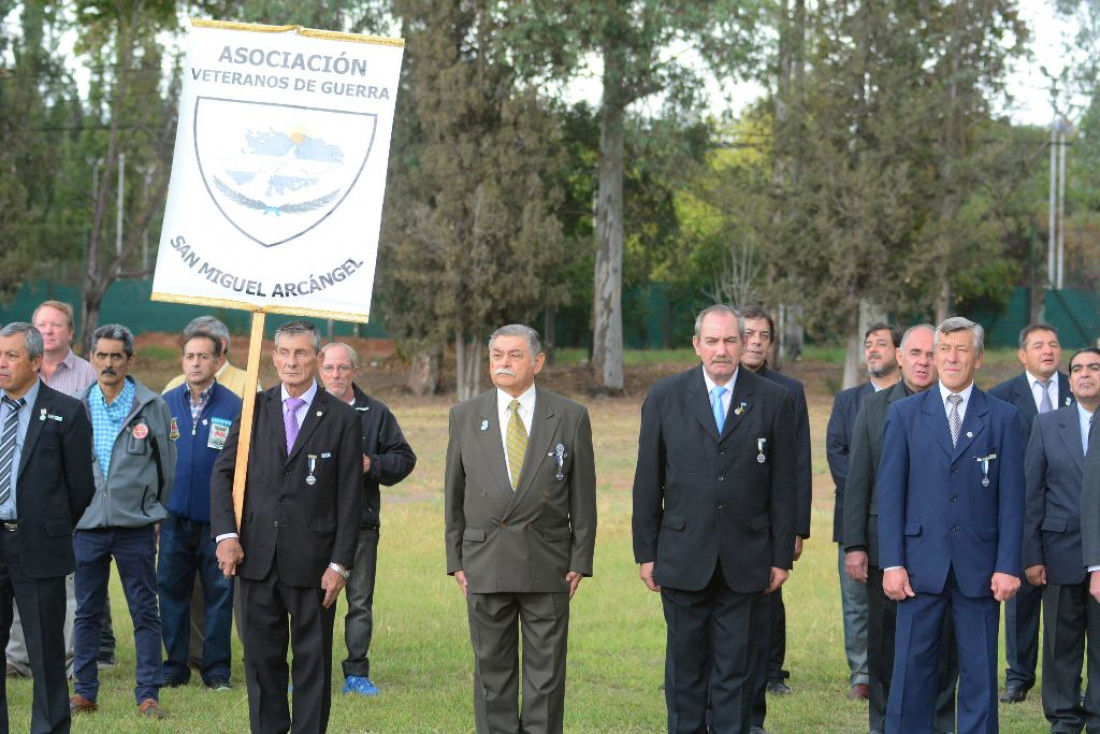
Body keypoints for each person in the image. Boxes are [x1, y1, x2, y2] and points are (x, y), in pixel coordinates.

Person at [633, 304, 796, 734]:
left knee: (737, 674)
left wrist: (781, 556)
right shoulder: (665, 396)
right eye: (712, 341)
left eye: (729, 340)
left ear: (743, 343)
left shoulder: (774, 400)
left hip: (747, 560)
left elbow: (784, 487)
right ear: (696, 345)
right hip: (683, 557)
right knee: (685, 672)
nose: (721, 350)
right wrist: (646, 553)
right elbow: (648, 481)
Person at [211, 319, 361, 734]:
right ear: (273, 356)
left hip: (314, 564)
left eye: (300, 353)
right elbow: (223, 475)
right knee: (261, 662)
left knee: (313, 662)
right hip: (254, 559)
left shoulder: (342, 419)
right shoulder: (253, 408)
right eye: (284, 353)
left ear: (316, 357)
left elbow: (351, 499)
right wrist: (226, 536)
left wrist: (340, 565)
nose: (291, 361)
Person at [444, 324, 596, 734]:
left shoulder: (569, 416)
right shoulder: (464, 415)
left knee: (545, 676)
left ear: (538, 362)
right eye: (497, 355)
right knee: (492, 672)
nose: (504, 363)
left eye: (514, 355)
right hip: (484, 560)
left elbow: (583, 497)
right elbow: (453, 496)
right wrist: (455, 559)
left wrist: (580, 559)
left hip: (547, 561)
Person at [878, 316, 1025, 734]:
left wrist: (1008, 564)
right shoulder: (905, 415)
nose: (952, 357)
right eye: (945, 348)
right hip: (919, 567)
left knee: (980, 674)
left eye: (962, 349)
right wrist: (892, 562)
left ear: (977, 358)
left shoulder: (1003, 417)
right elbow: (890, 495)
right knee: (911, 672)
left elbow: (1014, 500)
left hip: (980, 569)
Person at [843, 324, 957, 734]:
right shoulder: (875, 409)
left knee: (943, 643)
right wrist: (855, 544)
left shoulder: (955, 407)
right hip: (882, 545)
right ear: (900, 357)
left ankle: (938, 722)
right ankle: (884, 723)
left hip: (942, 547)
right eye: (917, 353)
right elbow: (859, 480)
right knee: (885, 641)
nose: (924, 361)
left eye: (932, 354)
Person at [70, 324, 176, 719]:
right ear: (92, 358)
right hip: (88, 527)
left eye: (117, 356)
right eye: (102, 355)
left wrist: (152, 511)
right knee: (87, 613)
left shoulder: (153, 407)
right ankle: (84, 693)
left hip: (135, 528)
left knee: (145, 611)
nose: (109, 363)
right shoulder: (78, 405)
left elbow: (167, 469)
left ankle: (148, 694)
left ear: (130, 360)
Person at [0, 322, 94, 734]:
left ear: (37, 361)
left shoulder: (67, 411)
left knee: (46, 653)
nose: (1, 364)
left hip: (40, 545)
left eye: (12, 356)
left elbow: (80, 489)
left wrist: (47, 524)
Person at [318, 342, 416, 696]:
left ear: (355, 371)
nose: (336, 375)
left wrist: (371, 464)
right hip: (313, 526)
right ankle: (309, 671)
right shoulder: (306, 409)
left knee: (358, 601)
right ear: (319, 369)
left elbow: (405, 458)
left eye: (343, 368)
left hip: (361, 525)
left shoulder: (375, 413)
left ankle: (356, 674)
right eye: (329, 368)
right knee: (312, 602)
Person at [160, 316, 254, 673]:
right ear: (182, 361)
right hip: (172, 519)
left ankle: (217, 670)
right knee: (171, 593)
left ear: (218, 362)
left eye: (203, 357)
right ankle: (174, 666)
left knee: (219, 594)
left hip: (218, 520)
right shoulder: (165, 403)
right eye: (189, 356)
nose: (195, 363)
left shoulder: (236, 406)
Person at [989, 323, 1073, 704]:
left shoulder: (1081, 389)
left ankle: (1066, 677)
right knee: (1021, 599)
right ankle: (1019, 677)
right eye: (1038, 345)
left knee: (1065, 605)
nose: (1048, 351)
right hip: (1019, 511)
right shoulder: (1002, 397)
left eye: (1054, 344)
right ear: (1022, 354)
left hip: (1067, 513)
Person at [738, 305, 809, 733]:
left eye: (764, 335)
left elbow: (797, 462)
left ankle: (771, 671)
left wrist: (796, 527)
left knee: (769, 597)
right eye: (749, 334)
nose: (756, 341)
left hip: (771, 517)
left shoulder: (788, 390)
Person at [1023, 347, 1100, 732]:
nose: (1085, 374)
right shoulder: (1048, 425)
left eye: (1094, 367)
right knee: (1060, 645)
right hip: (1059, 552)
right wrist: (1032, 555)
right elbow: (1032, 493)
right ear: (1070, 380)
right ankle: (1064, 717)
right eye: (1078, 369)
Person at [825, 323, 900, 701]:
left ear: (898, 352)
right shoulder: (848, 401)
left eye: (881, 345)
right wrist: (864, 488)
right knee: (856, 603)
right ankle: (862, 673)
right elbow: (838, 454)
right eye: (868, 345)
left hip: (902, 521)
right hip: (854, 517)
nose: (872, 351)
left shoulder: (915, 399)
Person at [162, 316, 252, 396]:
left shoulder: (246, 384)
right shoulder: (174, 385)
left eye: (200, 341)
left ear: (221, 345)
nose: (195, 362)